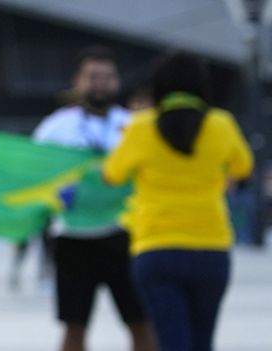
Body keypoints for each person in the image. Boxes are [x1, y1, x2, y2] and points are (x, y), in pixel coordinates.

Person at [102, 54, 253, 351]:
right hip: (210, 246)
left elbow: (112, 174)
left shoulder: (140, 127)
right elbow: (243, 167)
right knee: (202, 341)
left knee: (171, 341)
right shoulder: (222, 124)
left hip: (155, 248)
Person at [34, 49, 155, 351]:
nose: (100, 84)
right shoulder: (54, 128)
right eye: (93, 77)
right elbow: (27, 171)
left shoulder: (133, 126)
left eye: (108, 77)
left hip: (124, 236)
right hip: (72, 239)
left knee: (141, 323)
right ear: (78, 81)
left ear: (117, 82)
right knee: (74, 328)